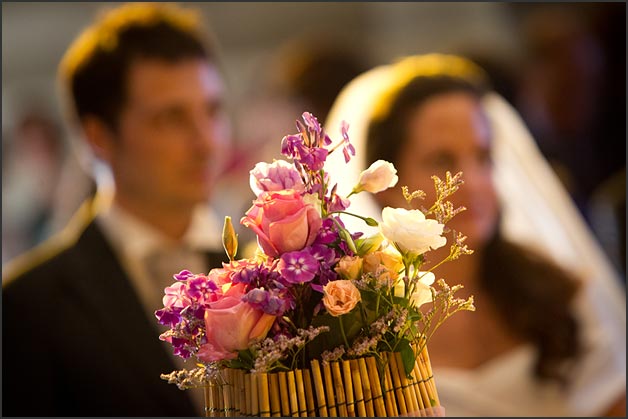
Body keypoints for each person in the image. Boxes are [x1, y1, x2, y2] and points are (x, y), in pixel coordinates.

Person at [324, 54, 626, 416]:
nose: (472, 182)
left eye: (482, 157)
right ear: (386, 184)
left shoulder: (561, 293)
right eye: (441, 161)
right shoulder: (359, 329)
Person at [2, 3, 231, 416]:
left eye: (212, 111)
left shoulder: (267, 267)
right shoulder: (27, 306)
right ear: (98, 137)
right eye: (171, 118)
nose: (206, 143)